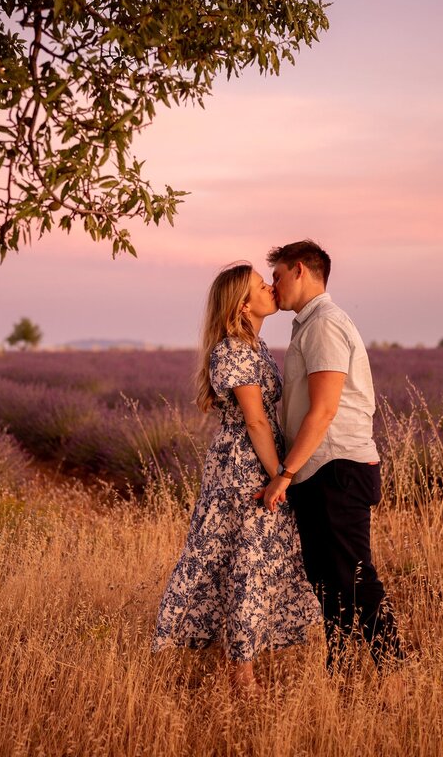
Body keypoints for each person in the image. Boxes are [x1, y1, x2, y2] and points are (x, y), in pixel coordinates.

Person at [152, 262, 321, 692]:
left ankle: (241, 662)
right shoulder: (232, 350)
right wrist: (280, 476)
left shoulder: (257, 347)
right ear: (243, 306)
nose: (271, 287)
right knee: (244, 560)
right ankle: (240, 674)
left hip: (258, 460)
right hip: (244, 466)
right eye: (260, 286)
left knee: (252, 560)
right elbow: (256, 423)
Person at [256, 240, 405, 673]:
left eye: (278, 275)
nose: (273, 285)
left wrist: (284, 474)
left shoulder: (323, 324)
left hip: (336, 466)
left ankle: (395, 672)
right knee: (328, 580)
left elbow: (323, 410)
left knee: (355, 577)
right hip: (322, 468)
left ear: (300, 269)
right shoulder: (308, 324)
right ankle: (340, 670)